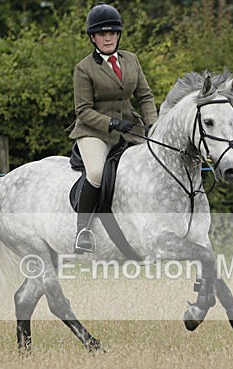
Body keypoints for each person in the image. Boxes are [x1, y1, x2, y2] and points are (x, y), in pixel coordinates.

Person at [69, 3, 158, 253]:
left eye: (112, 33)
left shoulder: (131, 60)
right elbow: (83, 110)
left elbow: (145, 96)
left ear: (118, 35)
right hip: (94, 132)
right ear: (93, 38)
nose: (108, 38)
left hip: (130, 128)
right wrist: (110, 123)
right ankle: (83, 231)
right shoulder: (84, 69)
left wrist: (153, 123)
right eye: (102, 34)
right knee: (96, 173)